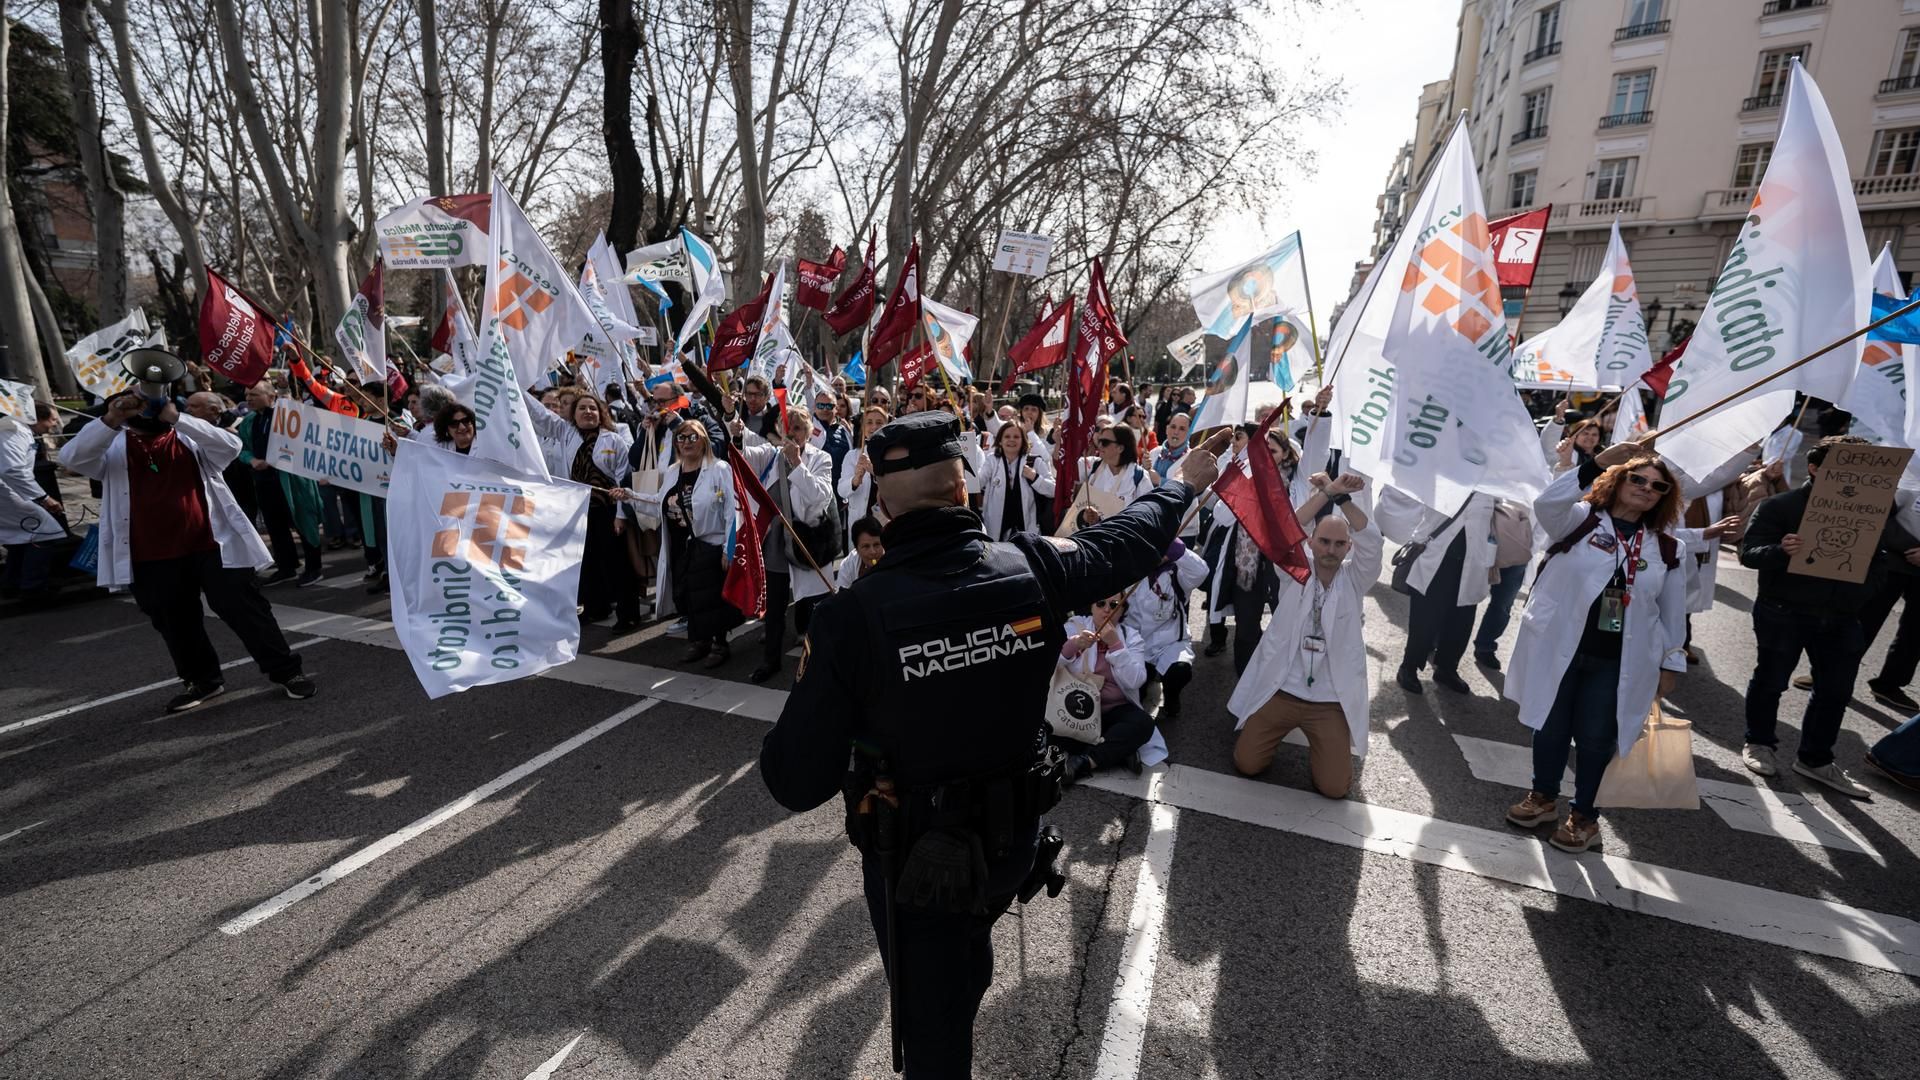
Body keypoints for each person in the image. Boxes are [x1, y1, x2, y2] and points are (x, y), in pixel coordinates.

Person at [759, 412, 1224, 1077]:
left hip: (920, 873)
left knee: (936, 1040)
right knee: (963, 968)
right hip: (1010, 846)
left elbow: (794, 780)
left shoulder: (850, 618)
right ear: (963, 489)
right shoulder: (1032, 565)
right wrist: (1181, 484)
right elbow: (1126, 540)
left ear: (882, 506)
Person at [59, 390, 315, 710]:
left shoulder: (190, 437)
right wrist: (112, 417)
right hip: (150, 554)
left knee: (247, 611)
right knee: (175, 622)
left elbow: (230, 446)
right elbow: (71, 458)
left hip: (212, 545)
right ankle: (202, 681)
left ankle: (287, 672)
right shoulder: (112, 447)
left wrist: (176, 417)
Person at [1504, 440, 1689, 851]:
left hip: (1618, 661)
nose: (1646, 488)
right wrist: (1598, 461)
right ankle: (1543, 797)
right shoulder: (1579, 520)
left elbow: (1673, 614)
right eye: (1637, 479)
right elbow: (1546, 502)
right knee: (1550, 727)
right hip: (1560, 648)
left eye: (1657, 486)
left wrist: (1671, 663)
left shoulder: (1668, 548)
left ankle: (1584, 817)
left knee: (1595, 739)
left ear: (1664, 497)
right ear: (1618, 480)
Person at [1736, 434, 1888, 799]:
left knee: (1835, 692)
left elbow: (1880, 560)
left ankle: (1816, 759)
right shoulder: (1780, 506)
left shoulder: (1869, 512)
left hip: (1841, 617)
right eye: (1842, 467)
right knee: (1771, 680)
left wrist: (1861, 594)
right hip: (1784, 611)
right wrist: (1780, 550)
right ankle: (1759, 743)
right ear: (1815, 468)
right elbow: (1749, 553)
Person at [1227, 472, 1377, 797]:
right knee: (1247, 764)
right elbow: (1284, 532)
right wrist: (1327, 493)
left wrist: (1343, 500)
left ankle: (1324, 750)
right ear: (1310, 541)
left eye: (1339, 544)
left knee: (1334, 788)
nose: (1331, 549)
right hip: (1282, 689)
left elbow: (1373, 541)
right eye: (1324, 541)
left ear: (1349, 547)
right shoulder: (1295, 570)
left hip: (1328, 700)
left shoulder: (1356, 579)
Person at [614, 422, 741, 665]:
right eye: (681, 438)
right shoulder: (674, 471)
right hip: (682, 543)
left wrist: (729, 548)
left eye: (693, 437)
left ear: (704, 440)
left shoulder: (719, 469)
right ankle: (699, 640)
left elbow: (731, 511)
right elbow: (659, 502)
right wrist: (630, 496)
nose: (687, 442)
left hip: (710, 543)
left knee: (712, 598)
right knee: (689, 595)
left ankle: (719, 643)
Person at [735, 406, 838, 683]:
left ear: (809, 432)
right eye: (787, 428)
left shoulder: (821, 458)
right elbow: (743, 455)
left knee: (814, 605)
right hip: (776, 546)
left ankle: (823, 661)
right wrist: (735, 429)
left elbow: (820, 497)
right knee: (776, 607)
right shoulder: (770, 454)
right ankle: (771, 661)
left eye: (798, 428)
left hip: (808, 541)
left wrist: (798, 465)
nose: (793, 434)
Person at [534, 392, 640, 631]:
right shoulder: (566, 434)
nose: (588, 412)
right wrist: (515, 387)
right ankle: (596, 607)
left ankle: (628, 615)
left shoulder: (613, 440)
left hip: (609, 511)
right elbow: (539, 414)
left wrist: (621, 515)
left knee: (617, 563)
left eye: (592, 408)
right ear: (573, 415)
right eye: (582, 408)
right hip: (580, 511)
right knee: (588, 562)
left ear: (600, 413)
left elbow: (623, 479)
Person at [1378, 487, 1496, 695]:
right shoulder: (1445, 476)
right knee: (1425, 620)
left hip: (1470, 565)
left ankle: (1447, 669)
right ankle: (1408, 668)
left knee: (1461, 621)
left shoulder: (1493, 486)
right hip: (1437, 561)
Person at [1055, 593, 1156, 781]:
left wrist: (1116, 645)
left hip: (1114, 709)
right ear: (1092, 607)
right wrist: (1073, 645)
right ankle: (1118, 751)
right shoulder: (1074, 626)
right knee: (1050, 729)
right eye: (1101, 603)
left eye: (1115, 604)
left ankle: (1084, 762)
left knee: (1143, 724)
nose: (1107, 609)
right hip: (1076, 709)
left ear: (1123, 609)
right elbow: (1049, 666)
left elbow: (1136, 680)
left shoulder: (1130, 636)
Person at [235, 381, 326, 588]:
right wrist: (252, 460)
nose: (248, 399)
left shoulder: (289, 416)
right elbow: (242, 448)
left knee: (304, 521)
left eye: (254, 394)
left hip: (294, 481)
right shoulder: (249, 421)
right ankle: (287, 566)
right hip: (264, 481)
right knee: (275, 526)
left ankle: (314, 568)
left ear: (271, 396)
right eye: (247, 395)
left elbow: (308, 443)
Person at [1123, 538, 1209, 718]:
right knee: (1135, 697)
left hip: (1169, 642)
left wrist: (1179, 550)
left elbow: (1201, 572)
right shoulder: (1128, 572)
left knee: (1179, 671)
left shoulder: (1176, 573)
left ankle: (1171, 695)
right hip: (1136, 643)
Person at [0, 400, 65, 598]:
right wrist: (44, 498)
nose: (55, 424)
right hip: (6, 491)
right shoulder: (14, 431)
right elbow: (12, 470)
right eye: (52, 419)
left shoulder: (17, 430)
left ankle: (13, 583)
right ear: (36, 418)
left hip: (9, 490)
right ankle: (33, 587)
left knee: (23, 534)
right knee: (45, 531)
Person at [978, 419, 1055, 540]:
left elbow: (1053, 491)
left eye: (1016, 437)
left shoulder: (1035, 462)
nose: (1011, 440)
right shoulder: (992, 461)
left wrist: (1035, 477)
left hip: (1027, 531)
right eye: (1007, 436)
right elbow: (978, 483)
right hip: (996, 533)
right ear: (1000, 441)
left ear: (1023, 440)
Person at [838, 406, 890, 547]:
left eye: (879, 422)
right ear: (863, 427)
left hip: (885, 522)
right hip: (860, 521)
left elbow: (898, 489)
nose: (874, 427)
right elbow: (841, 491)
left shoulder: (892, 454)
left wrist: (874, 472)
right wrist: (855, 480)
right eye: (869, 422)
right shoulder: (852, 456)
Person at [1075, 425, 1156, 509]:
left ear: (1120, 448)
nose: (1100, 446)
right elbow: (1068, 467)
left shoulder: (1139, 476)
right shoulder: (1091, 465)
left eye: (1105, 442)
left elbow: (1147, 510)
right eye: (1099, 441)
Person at [834, 514, 887, 588]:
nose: (873, 552)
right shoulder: (847, 565)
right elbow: (842, 591)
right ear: (856, 549)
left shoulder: (893, 561)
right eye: (866, 546)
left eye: (876, 545)